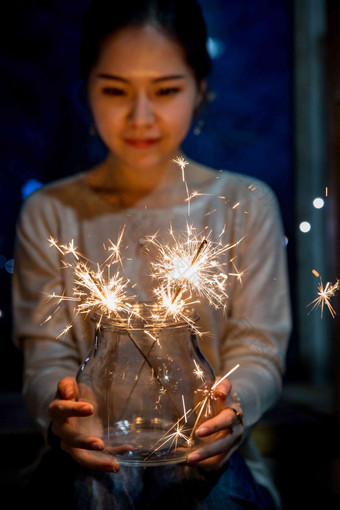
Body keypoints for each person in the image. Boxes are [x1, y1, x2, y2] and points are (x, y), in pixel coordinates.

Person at [12, 1, 291, 508]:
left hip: (211, 460)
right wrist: (67, 412)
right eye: (116, 90)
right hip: (87, 458)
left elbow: (260, 350)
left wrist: (233, 411)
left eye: (165, 90)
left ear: (201, 89)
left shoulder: (246, 205)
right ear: (87, 90)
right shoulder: (50, 212)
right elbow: (44, 356)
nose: (140, 116)